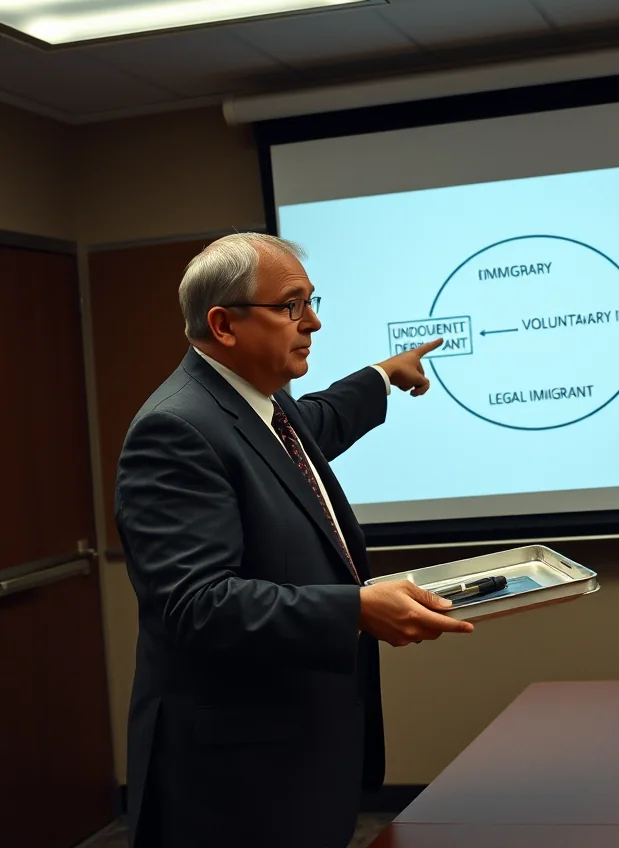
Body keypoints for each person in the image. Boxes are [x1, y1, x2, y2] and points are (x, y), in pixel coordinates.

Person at [115, 233, 474, 848]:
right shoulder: (174, 430)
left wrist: (383, 377)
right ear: (223, 324)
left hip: (296, 752)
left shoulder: (261, 403)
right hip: (232, 782)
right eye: (291, 306)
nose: (313, 322)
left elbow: (314, 426)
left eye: (311, 301)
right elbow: (194, 603)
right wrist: (354, 608)